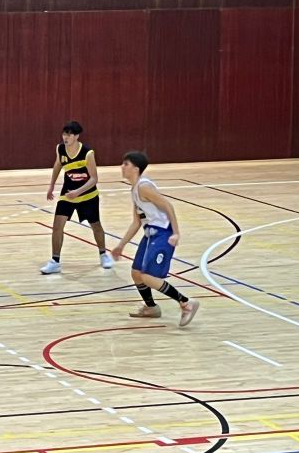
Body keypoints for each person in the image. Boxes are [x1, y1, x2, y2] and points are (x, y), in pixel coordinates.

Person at [112, 151, 200, 327]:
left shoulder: (144, 187)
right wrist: (121, 245)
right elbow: (136, 222)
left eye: (126, 164)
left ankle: (186, 303)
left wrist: (176, 232)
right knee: (136, 273)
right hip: (150, 233)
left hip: (163, 233)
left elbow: (168, 205)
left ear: (136, 168)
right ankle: (151, 308)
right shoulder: (134, 190)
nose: (122, 167)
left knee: (148, 277)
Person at [40, 121, 112, 274]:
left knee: (96, 225)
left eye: (69, 134)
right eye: (64, 134)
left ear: (77, 136)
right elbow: (58, 165)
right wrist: (51, 186)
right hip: (68, 194)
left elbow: (94, 179)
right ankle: (55, 261)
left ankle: (103, 254)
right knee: (57, 226)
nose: (65, 137)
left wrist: (78, 192)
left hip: (88, 195)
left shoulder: (87, 153)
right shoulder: (60, 149)